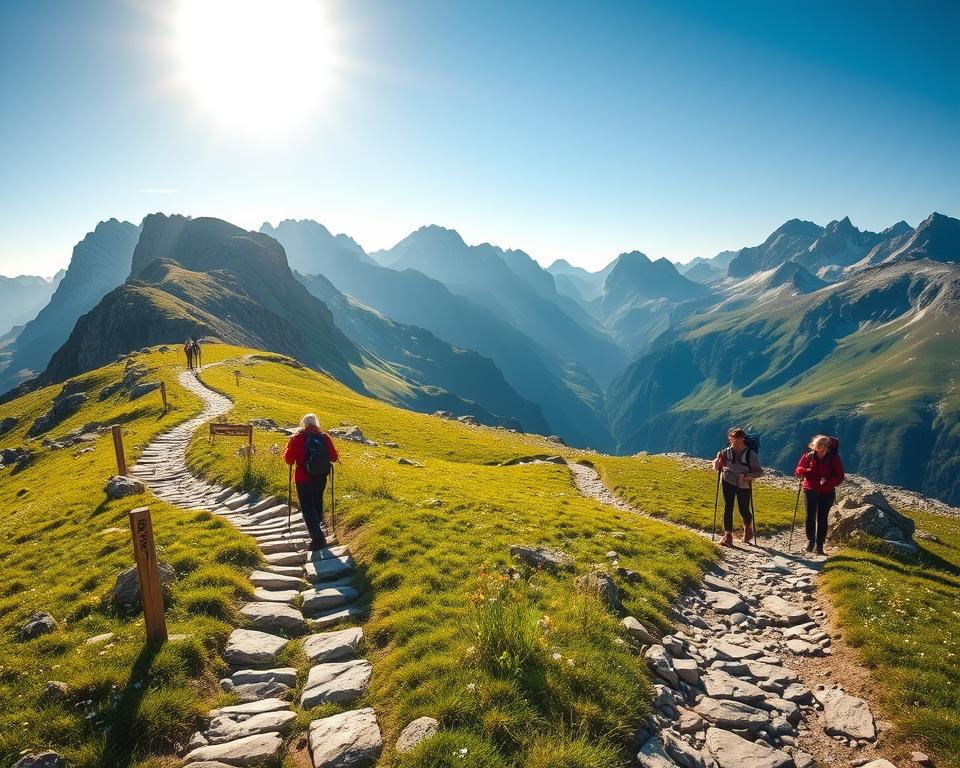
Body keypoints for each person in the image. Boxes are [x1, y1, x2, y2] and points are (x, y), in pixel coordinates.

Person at [283, 414, 338, 550]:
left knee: (307, 507)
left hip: (303, 477)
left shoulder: (297, 438)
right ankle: (318, 530)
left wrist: (289, 447)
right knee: (317, 502)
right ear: (316, 424)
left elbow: (289, 460)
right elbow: (334, 457)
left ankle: (318, 539)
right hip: (321, 477)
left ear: (303, 424)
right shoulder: (324, 438)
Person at [712, 427, 763, 546]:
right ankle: (728, 535)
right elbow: (717, 467)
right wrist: (718, 461)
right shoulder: (726, 452)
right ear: (730, 439)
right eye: (734, 439)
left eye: (739, 438)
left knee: (743, 508)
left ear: (743, 439)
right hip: (728, 480)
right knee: (728, 507)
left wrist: (747, 476)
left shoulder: (750, 454)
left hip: (743, 483)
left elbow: (759, 472)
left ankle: (747, 528)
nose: (736, 441)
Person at [795, 435, 844, 555]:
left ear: (826, 445)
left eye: (819, 446)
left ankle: (819, 545)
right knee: (810, 516)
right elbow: (798, 470)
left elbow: (840, 476)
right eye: (815, 446)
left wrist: (827, 481)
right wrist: (805, 471)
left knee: (822, 518)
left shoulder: (833, 458)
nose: (816, 448)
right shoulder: (809, 455)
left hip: (826, 491)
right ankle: (811, 542)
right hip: (810, 489)